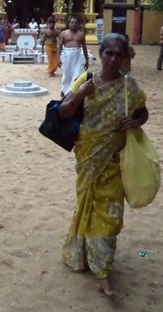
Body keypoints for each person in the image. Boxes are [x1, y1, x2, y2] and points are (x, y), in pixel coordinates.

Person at [59, 33, 148, 296]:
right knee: (87, 204)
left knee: (110, 216)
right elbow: (63, 111)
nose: (113, 59)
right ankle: (93, 264)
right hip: (88, 155)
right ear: (100, 54)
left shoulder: (130, 87)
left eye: (119, 54)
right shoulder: (86, 80)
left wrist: (135, 122)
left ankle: (103, 268)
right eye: (109, 53)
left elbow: (143, 112)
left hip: (114, 161)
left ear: (125, 57)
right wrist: (80, 95)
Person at [58, 17, 89, 97]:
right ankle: (64, 89)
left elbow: (84, 47)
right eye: (72, 22)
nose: (74, 24)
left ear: (78, 24)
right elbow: (60, 46)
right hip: (67, 56)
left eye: (75, 23)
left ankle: (70, 93)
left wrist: (87, 60)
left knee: (76, 75)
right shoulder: (64, 33)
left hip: (77, 56)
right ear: (69, 24)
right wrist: (58, 59)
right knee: (66, 75)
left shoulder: (81, 34)